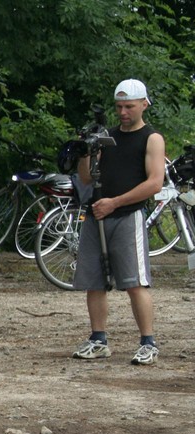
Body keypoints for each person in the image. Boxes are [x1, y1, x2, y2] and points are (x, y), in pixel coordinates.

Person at [72, 79, 165, 365]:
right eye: (119, 107)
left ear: (144, 104)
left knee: (135, 282)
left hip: (127, 216)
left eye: (129, 106)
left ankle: (148, 342)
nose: (123, 112)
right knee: (94, 281)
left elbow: (155, 183)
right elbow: (86, 178)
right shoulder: (105, 137)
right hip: (97, 214)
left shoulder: (151, 138)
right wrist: (84, 151)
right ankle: (98, 339)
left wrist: (115, 202)